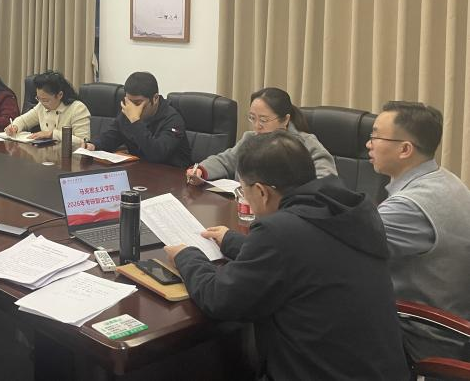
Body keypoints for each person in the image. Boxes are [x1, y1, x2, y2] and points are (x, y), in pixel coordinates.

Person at [166, 132, 411, 381]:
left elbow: (220, 299)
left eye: (244, 191)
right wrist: (231, 241)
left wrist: (187, 256)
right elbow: (305, 255)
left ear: (261, 192)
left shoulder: (279, 232)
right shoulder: (349, 210)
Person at [368, 101, 470, 361]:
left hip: (423, 335)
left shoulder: (411, 205)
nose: (369, 144)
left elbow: (345, 247)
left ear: (405, 149)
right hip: (445, 321)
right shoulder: (443, 179)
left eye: (376, 136)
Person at [187, 87, 336, 184]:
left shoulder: (306, 144)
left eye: (264, 120)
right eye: (252, 118)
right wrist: (201, 171)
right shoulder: (250, 138)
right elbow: (225, 161)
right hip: (245, 209)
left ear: (285, 120)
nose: (257, 125)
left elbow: (326, 182)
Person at [84, 72, 192, 167]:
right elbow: (111, 136)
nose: (132, 108)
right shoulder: (128, 112)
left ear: (155, 98)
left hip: (172, 176)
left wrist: (135, 122)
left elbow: (157, 154)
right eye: (129, 101)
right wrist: (93, 145)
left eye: (137, 103)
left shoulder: (173, 120)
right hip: (141, 171)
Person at [5, 70, 90, 146]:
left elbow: (83, 141)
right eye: (38, 98)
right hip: (47, 153)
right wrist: (14, 127)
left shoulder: (77, 108)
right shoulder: (41, 106)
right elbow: (24, 120)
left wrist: (52, 134)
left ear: (60, 95)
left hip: (69, 155)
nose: (41, 103)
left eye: (45, 100)